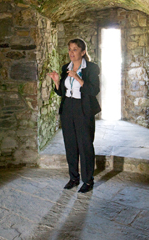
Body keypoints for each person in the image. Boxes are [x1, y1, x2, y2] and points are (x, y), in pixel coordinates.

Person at [48, 38, 101, 193]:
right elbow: (62, 92)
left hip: (83, 108)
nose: (71, 52)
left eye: (75, 49)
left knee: (85, 145)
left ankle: (88, 181)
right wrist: (57, 82)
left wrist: (77, 78)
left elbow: (94, 90)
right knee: (70, 144)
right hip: (68, 108)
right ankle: (73, 178)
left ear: (83, 52)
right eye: (70, 49)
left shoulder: (91, 68)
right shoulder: (66, 67)